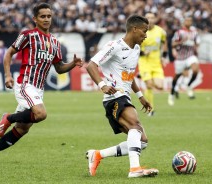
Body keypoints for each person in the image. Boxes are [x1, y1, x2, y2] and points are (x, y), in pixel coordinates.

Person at [0, 3, 83, 164]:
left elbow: (60, 68)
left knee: (23, 128)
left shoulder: (55, 42)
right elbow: (9, 53)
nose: (46, 19)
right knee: (41, 114)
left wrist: (73, 63)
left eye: (49, 16)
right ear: (35, 19)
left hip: (38, 88)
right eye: (43, 16)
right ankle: (8, 117)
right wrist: (7, 76)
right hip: (25, 84)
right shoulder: (28, 35)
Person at [86, 14, 159, 178]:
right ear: (134, 29)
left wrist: (140, 96)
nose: (146, 35)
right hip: (114, 97)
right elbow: (91, 65)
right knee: (135, 126)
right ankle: (135, 169)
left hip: (125, 96)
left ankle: (97, 155)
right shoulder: (114, 46)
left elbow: (129, 75)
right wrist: (102, 85)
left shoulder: (137, 49)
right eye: (144, 31)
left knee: (142, 142)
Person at [138, 12, 168, 116]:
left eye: (152, 18)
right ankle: (150, 109)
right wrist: (142, 52)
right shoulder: (140, 32)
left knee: (160, 86)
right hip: (144, 63)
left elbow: (164, 43)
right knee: (149, 86)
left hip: (156, 64)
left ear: (155, 19)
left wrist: (164, 56)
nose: (150, 20)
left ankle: (139, 77)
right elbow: (134, 48)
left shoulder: (161, 32)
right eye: (148, 18)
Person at [168, 16, 200, 106]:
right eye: (187, 20)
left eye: (190, 20)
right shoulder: (179, 32)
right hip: (180, 58)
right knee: (177, 77)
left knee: (195, 70)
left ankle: (189, 86)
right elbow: (173, 43)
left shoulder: (194, 32)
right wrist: (181, 42)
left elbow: (197, 43)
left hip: (190, 55)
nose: (189, 22)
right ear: (184, 22)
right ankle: (171, 93)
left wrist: (196, 47)